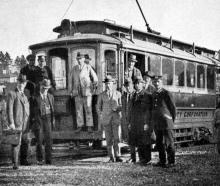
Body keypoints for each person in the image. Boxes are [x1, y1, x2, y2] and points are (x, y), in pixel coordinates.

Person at [151, 75, 176, 168]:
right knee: (159, 143)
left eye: (158, 82)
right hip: (157, 122)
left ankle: (171, 161)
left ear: (161, 83)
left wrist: (171, 120)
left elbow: (173, 108)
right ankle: (162, 161)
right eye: (155, 82)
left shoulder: (167, 93)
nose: (156, 84)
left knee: (169, 142)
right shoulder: (153, 94)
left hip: (166, 122)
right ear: (153, 83)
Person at [96, 75, 123, 162]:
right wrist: (101, 115)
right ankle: (111, 157)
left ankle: (118, 156)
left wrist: (118, 109)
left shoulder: (118, 94)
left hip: (115, 119)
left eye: (110, 83)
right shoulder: (101, 95)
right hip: (106, 119)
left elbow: (122, 106)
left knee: (117, 138)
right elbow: (98, 107)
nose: (108, 85)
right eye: (107, 84)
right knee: (108, 139)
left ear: (113, 84)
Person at [70, 52, 98, 132]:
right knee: (79, 110)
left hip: (87, 92)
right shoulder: (74, 68)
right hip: (77, 92)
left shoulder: (88, 67)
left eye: (81, 59)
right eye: (78, 59)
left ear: (83, 59)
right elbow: (71, 81)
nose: (79, 60)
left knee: (88, 109)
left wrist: (93, 88)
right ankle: (80, 126)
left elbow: (95, 79)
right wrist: (71, 91)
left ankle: (89, 126)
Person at [128, 76, 153, 165]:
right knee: (138, 141)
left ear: (142, 84)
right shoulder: (133, 95)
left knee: (145, 141)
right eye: (136, 83)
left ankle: (147, 159)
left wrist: (147, 123)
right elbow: (131, 110)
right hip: (135, 122)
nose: (137, 85)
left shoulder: (147, 95)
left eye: (139, 83)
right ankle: (141, 158)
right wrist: (130, 122)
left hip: (144, 122)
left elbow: (149, 111)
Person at [7, 74, 30, 169]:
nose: (21, 84)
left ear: (25, 84)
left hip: (25, 123)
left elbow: (27, 109)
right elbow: (9, 109)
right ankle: (15, 163)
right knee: (16, 143)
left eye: (23, 83)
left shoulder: (25, 95)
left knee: (25, 142)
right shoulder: (12, 94)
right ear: (17, 82)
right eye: (20, 82)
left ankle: (24, 160)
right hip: (17, 123)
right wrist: (11, 122)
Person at [32, 79, 55, 165]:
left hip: (48, 119)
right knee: (39, 140)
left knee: (49, 140)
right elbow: (32, 112)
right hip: (39, 120)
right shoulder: (35, 98)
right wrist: (34, 122)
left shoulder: (51, 96)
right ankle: (40, 159)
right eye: (44, 88)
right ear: (41, 87)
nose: (45, 90)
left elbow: (53, 110)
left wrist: (53, 121)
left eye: (47, 88)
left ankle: (48, 160)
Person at [121, 78, 134, 142]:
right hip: (125, 117)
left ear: (132, 86)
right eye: (126, 86)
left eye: (129, 86)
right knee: (126, 133)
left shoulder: (135, 95)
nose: (128, 88)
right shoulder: (123, 96)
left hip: (133, 118)